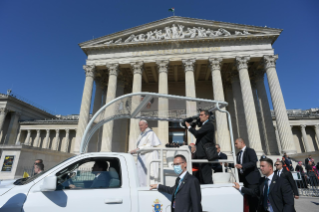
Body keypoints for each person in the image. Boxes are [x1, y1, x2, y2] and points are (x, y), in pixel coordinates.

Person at [230, 138, 260, 212]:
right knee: (249, 201)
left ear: (241, 142)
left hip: (252, 180)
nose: (235, 145)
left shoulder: (250, 151)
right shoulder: (238, 154)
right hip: (243, 181)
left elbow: (253, 162)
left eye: (236, 143)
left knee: (255, 200)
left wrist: (242, 165)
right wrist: (228, 164)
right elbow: (237, 165)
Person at [185, 110, 214, 184]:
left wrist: (189, 127)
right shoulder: (204, 125)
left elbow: (197, 134)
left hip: (205, 155)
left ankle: (209, 193)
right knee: (201, 178)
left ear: (207, 116)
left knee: (206, 177)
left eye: (201, 115)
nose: (199, 116)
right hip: (201, 155)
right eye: (199, 115)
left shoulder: (209, 125)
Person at [130, 120, 161, 186]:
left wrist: (138, 149)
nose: (140, 127)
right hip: (142, 156)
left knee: (150, 173)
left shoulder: (150, 133)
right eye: (139, 125)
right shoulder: (142, 134)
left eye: (141, 125)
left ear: (146, 125)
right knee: (141, 174)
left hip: (149, 155)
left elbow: (150, 145)